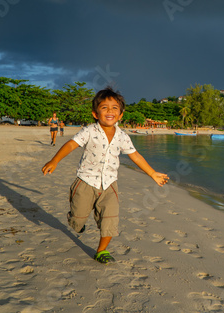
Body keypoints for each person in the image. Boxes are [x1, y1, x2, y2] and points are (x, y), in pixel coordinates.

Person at [42, 87, 169, 264]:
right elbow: (71, 144)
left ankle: (101, 251)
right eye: (104, 107)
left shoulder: (123, 137)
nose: (110, 111)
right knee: (77, 221)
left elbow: (135, 155)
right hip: (85, 182)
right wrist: (55, 160)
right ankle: (76, 221)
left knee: (110, 221)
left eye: (114, 108)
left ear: (121, 114)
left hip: (110, 184)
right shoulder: (89, 131)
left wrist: (153, 173)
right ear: (95, 113)